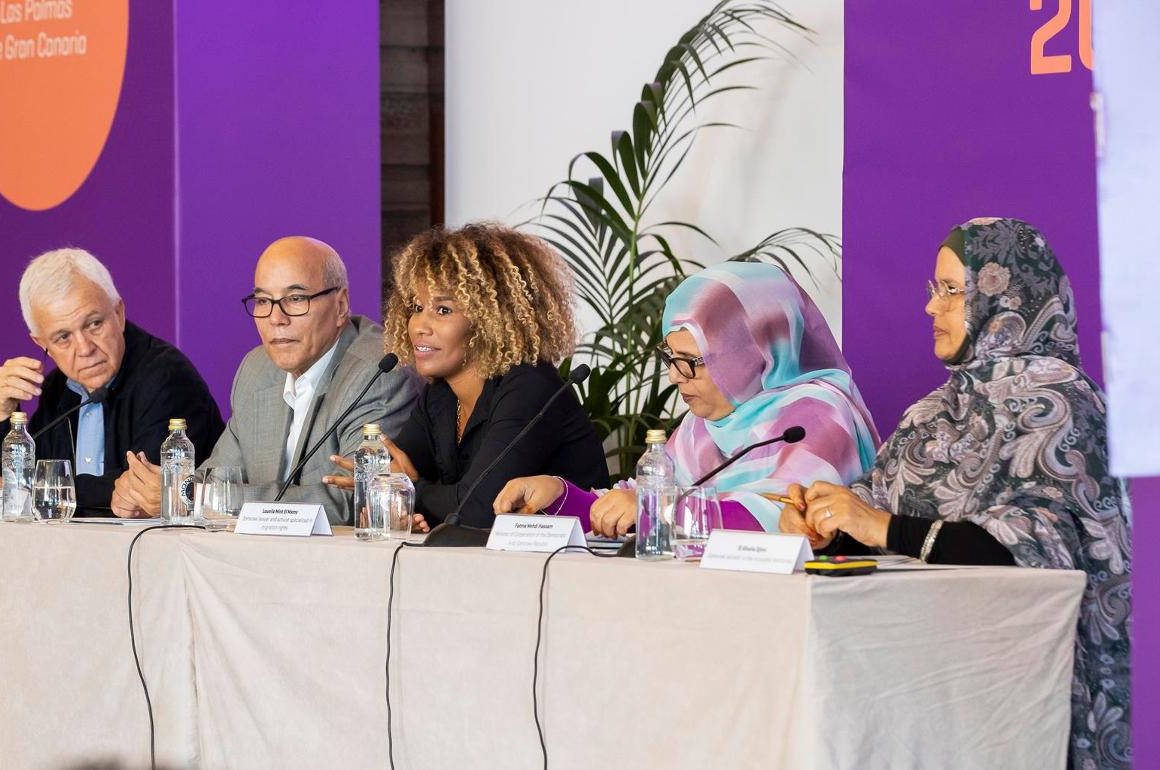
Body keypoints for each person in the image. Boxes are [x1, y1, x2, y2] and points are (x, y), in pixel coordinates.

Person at [778, 218, 1131, 769]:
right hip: (917, 684)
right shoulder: (934, 411)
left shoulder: (1062, 407)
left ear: (1007, 297)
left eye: (950, 291)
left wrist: (877, 526)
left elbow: (1037, 554)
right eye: (932, 290)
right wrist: (822, 522)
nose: (930, 308)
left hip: (1019, 698)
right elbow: (871, 519)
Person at [494, 261, 880, 537]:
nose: (675, 376)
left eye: (692, 361)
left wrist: (658, 512)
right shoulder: (704, 425)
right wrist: (559, 496)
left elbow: (788, 518)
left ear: (752, 352)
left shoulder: (818, 413)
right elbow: (635, 507)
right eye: (670, 359)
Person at [110, 236, 421, 522]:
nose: (276, 318)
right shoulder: (257, 369)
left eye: (296, 299)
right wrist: (151, 491)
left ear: (340, 306)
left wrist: (189, 496)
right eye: (263, 301)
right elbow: (217, 476)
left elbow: (359, 501)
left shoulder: (379, 372)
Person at [326, 223, 609, 528]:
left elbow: (478, 510)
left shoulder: (530, 387)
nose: (420, 325)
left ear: (492, 319)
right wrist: (395, 502)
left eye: (443, 310)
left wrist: (409, 490)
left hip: (570, 565)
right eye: (417, 307)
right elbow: (392, 481)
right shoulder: (441, 395)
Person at [0, 248, 224, 512]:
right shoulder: (57, 389)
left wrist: (29, 488)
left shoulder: (166, 378)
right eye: (63, 337)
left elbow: (139, 489)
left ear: (118, 313)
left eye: (94, 324)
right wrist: (2, 414)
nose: (84, 349)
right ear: (41, 343)